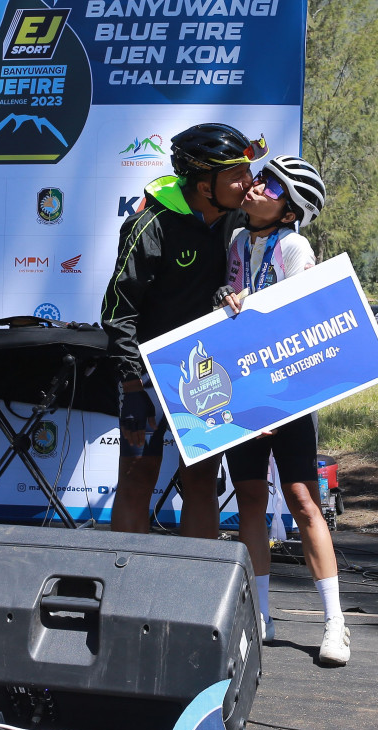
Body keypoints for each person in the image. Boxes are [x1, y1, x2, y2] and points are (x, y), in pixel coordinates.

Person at [215, 155, 349, 665]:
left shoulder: (294, 246)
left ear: (289, 212)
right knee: (250, 498)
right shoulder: (236, 240)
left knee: (302, 500)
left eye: (272, 187)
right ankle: (261, 616)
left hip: (287, 393)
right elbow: (234, 306)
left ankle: (335, 623)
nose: (257, 186)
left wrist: (273, 402)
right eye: (263, 178)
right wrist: (225, 299)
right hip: (244, 391)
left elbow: (298, 317)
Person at [101, 123, 259, 537]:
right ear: (205, 186)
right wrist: (132, 387)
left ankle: (198, 578)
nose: (249, 182)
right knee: (138, 477)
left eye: (248, 171)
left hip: (208, 370)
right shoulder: (149, 225)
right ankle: (124, 574)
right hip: (148, 372)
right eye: (237, 175)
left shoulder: (241, 219)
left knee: (201, 481)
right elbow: (118, 311)